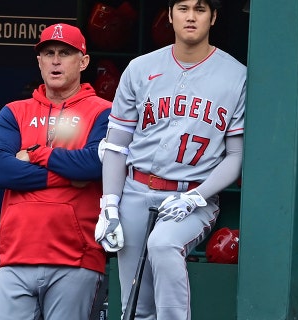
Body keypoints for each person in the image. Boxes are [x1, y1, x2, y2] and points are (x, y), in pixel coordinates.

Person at [94, 0, 246, 319]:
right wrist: (109, 204)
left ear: (214, 17)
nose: (191, 16)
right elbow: (117, 145)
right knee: (135, 306)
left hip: (193, 194)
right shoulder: (139, 68)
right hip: (136, 191)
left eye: (201, 9)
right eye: (183, 8)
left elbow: (235, 156)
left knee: (163, 245)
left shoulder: (236, 75)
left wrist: (195, 197)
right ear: (171, 14)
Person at [0, 23, 111, 320]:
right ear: (39, 60)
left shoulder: (103, 111)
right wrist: (67, 175)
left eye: (65, 53)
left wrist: (35, 154)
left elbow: (94, 165)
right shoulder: (14, 111)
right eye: (49, 53)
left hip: (76, 257)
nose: (56, 60)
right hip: (17, 254)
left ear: (83, 61)